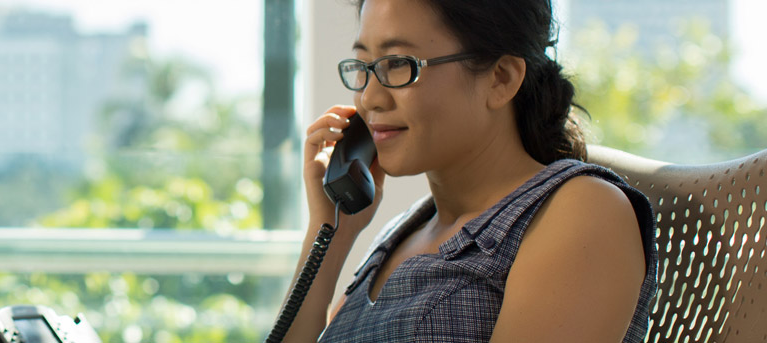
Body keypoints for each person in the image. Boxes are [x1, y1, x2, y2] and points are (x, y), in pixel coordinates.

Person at [279, 0, 657, 341]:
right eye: (364, 67)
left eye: (398, 64)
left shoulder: (583, 211)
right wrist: (330, 232)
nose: (369, 98)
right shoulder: (402, 233)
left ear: (501, 78)